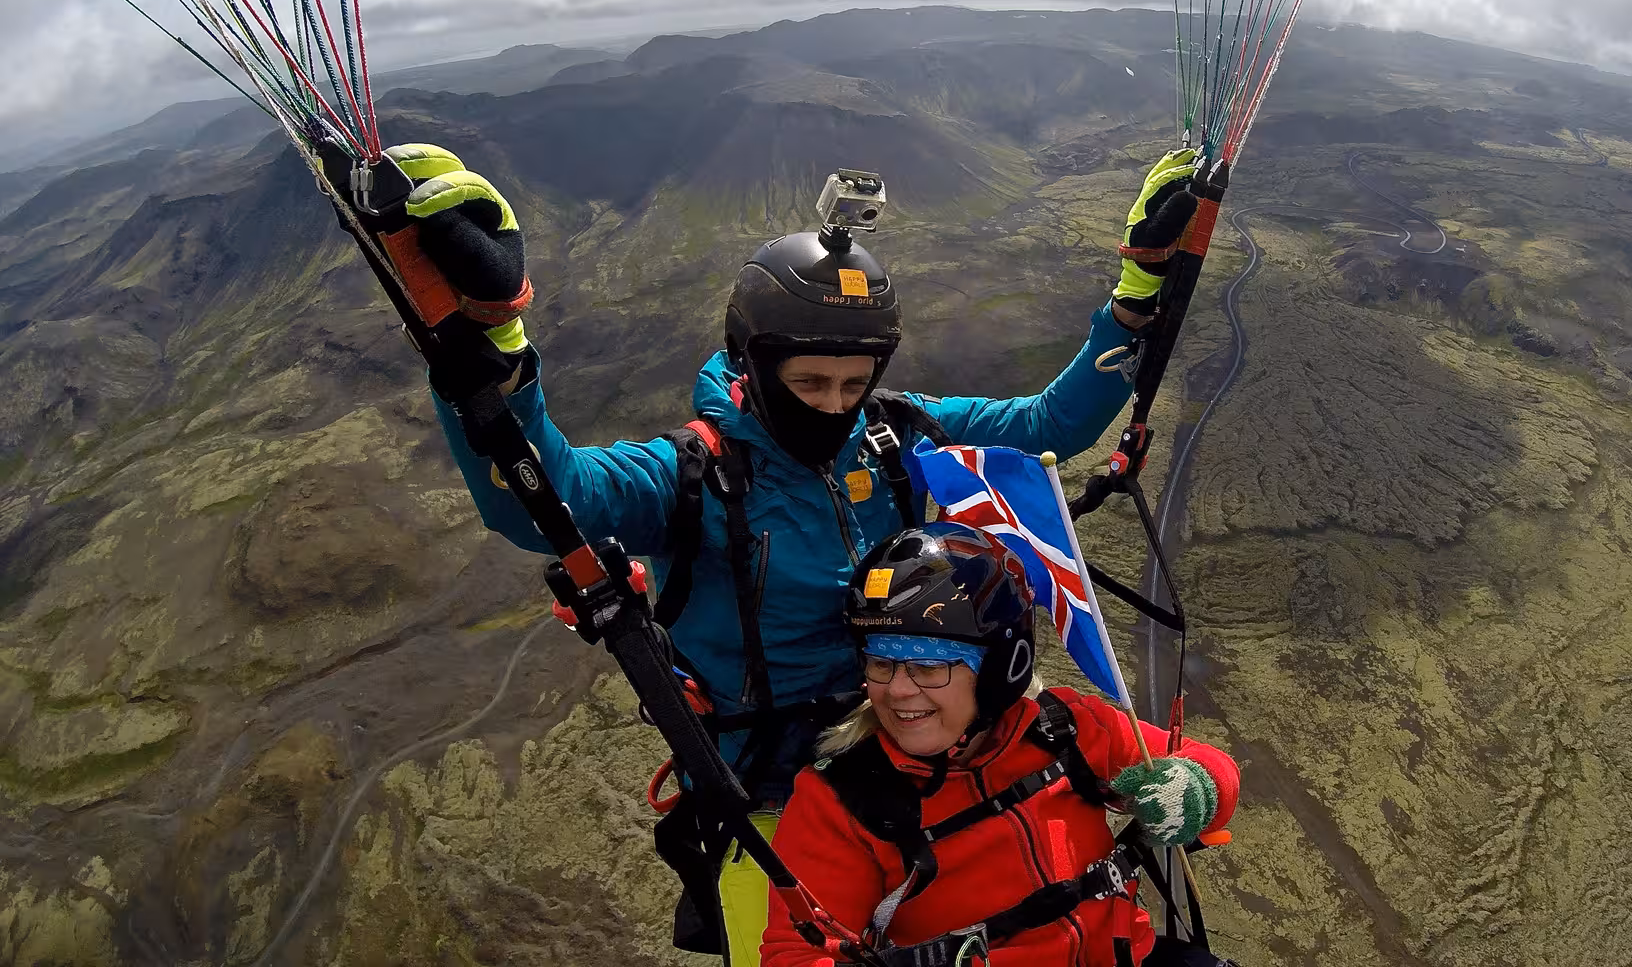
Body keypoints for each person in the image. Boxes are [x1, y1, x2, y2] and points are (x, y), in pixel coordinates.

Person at [380, 142, 1207, 962]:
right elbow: (544, 501)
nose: (836, 405)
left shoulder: (890, 434)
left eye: (854, 383)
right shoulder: (693, 477)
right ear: (754, 365)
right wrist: (499, 349)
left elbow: (1046, 428)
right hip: (772, 802)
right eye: (810, 385)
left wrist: (1134, 297)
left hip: (913, 747)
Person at [762, 523, 1241, 967]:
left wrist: (1197, 788)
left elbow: (1211, 768)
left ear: (1000, 669)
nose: (897, 690)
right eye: (880, 663)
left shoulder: (1062, 726)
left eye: (929, 666)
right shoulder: (839, 799)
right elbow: (797, 953)